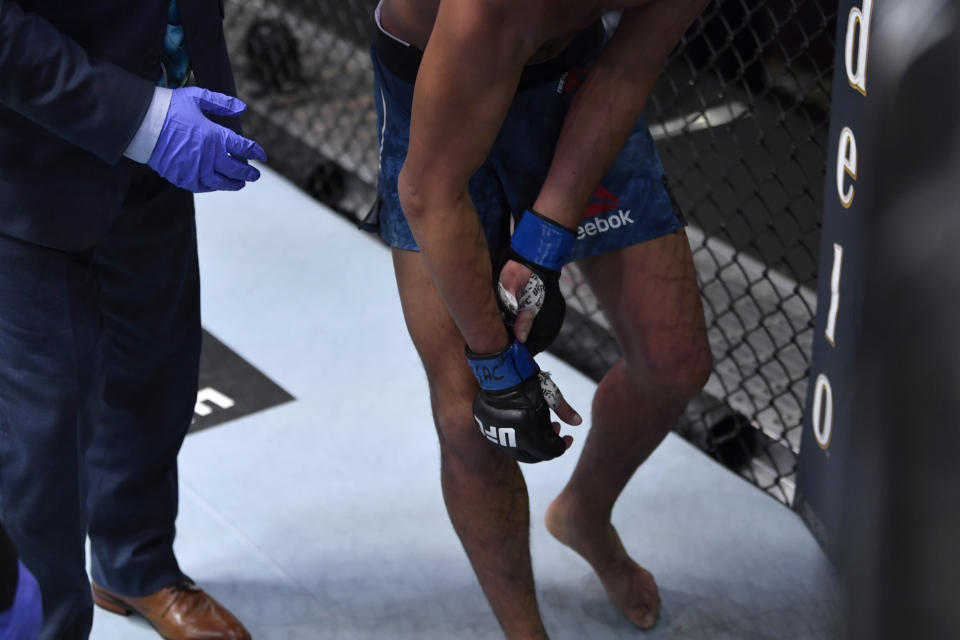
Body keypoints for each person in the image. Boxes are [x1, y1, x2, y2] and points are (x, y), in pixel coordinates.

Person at [368, 0, 712, 636]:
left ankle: (583, 513)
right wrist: (499, 367)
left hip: (567, 79)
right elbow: (429, 192)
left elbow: (629, 65)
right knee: (470, 416)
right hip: (434, 85)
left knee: (674, 363)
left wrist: (543, 243)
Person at [0, 1, 264, 638]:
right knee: (45, 435)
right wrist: (142, 119)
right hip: (23, 156)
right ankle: (46, 627)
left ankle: (133, 563)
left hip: (165, 101)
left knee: (157, 366)